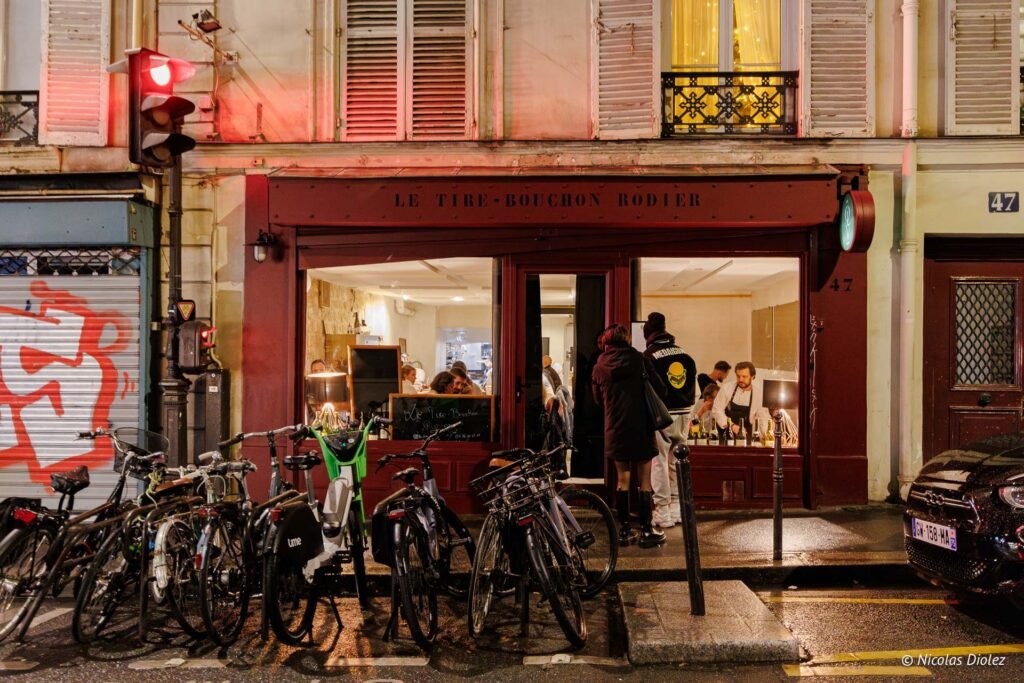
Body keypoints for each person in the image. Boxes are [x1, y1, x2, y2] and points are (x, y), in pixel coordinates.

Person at [592, 323, 665, 549]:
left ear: (607, 341)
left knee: (622, 480)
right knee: (644, 480)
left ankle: (623, 530)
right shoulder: (640, 359)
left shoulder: (599, 366)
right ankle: (645, 530)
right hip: (641, 427)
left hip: (616, 428)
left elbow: (596, 400)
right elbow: (660, 389)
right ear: (626, 339)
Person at [642, 312, 697, 529]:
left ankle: (663, 511)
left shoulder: (649, 355)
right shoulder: (686, 355)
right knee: (676, 463)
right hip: (684, 414)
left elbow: (650, 389)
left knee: (659, 463)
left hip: (663, 415)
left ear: (649, 332)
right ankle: (677, 508)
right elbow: (696, 389)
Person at [711, 361, 766, 441]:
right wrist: (732, 426)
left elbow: (762, 418)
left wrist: (765, 435)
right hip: (726, 435)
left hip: (747, 436)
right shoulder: (727, 388)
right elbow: (716, 411)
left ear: (753, 377)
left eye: (744, 376)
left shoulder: (759, 394)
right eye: (738, 376)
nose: (740, 379)